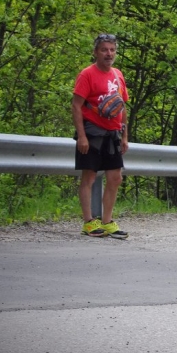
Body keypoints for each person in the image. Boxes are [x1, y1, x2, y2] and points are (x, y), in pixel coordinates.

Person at [72, 34, 130, 240]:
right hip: (92, 132)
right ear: (96, 52)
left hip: (113, 134)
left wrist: (125, 136)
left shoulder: (118, 74)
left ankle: (107, 222)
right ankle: (89, 222)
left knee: (115, 178)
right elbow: (76, 106)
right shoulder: (87, 74)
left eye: (112, 50)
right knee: (89, 177)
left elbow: (122, 106)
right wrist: (82, 136)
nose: (109, 54)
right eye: (104, 50)